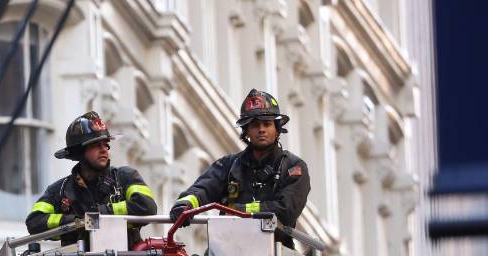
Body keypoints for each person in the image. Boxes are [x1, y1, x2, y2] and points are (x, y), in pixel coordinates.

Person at [168, 89, 310, 247]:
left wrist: (239, 210)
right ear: (246, 131)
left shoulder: (293, 167)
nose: (261, 129)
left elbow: (286, 210)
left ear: (277, 129)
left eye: (267, 124)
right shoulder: (229, 165)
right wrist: (185, 205)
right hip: (230, 255)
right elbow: (203, 188)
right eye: (255, 125)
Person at [26, 111, 157, 239]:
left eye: (106, 144)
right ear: (79, 152)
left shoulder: (125, 177)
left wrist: (101, 213)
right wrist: (76, 222)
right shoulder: (60, 190)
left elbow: (147, 206)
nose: (104, 149)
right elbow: (34, 221)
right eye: (96, 145)